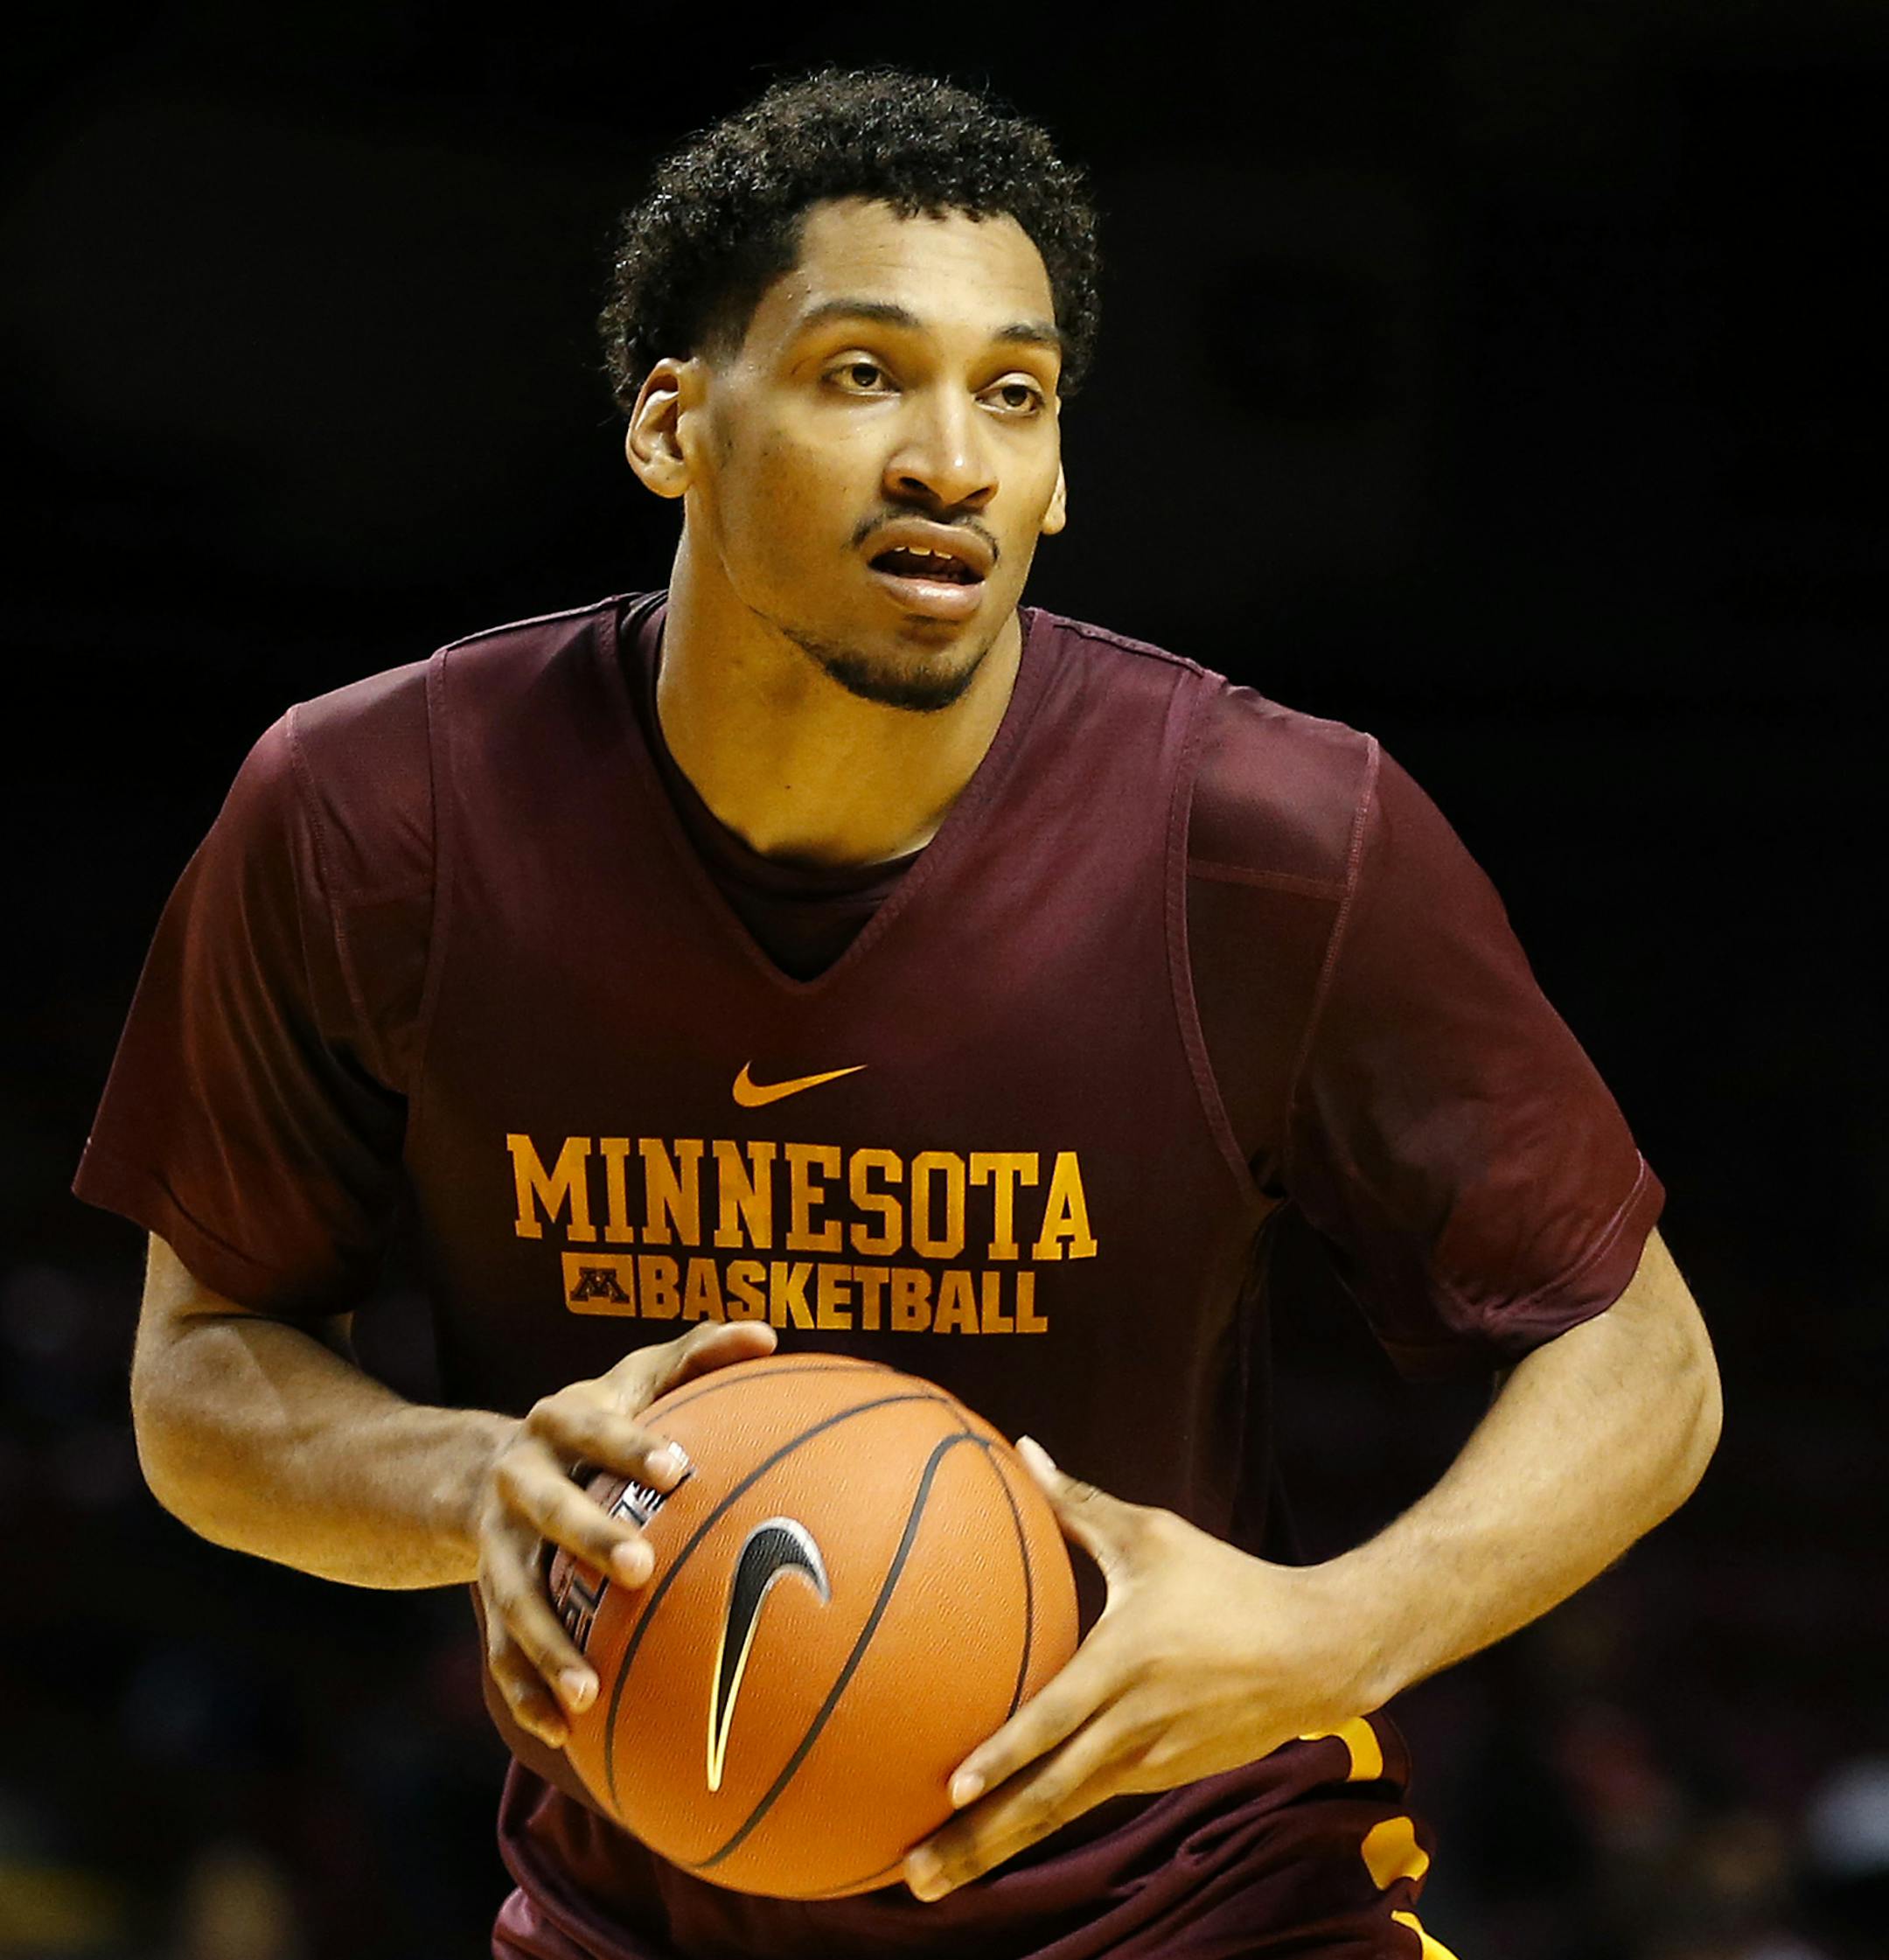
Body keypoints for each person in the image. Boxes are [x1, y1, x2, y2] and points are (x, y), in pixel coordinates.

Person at [75, 64, 1722, 1960]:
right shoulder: (379, 814)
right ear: (671, 421)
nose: (951, 455)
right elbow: (200, 1374)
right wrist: (472, 1473)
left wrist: (1340, 1622)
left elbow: (1645, 1356)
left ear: (1061, 475)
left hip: (1204, 1907)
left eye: (1012, 395)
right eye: (866, 373)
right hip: (649, 1914)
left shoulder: (1267, 838)